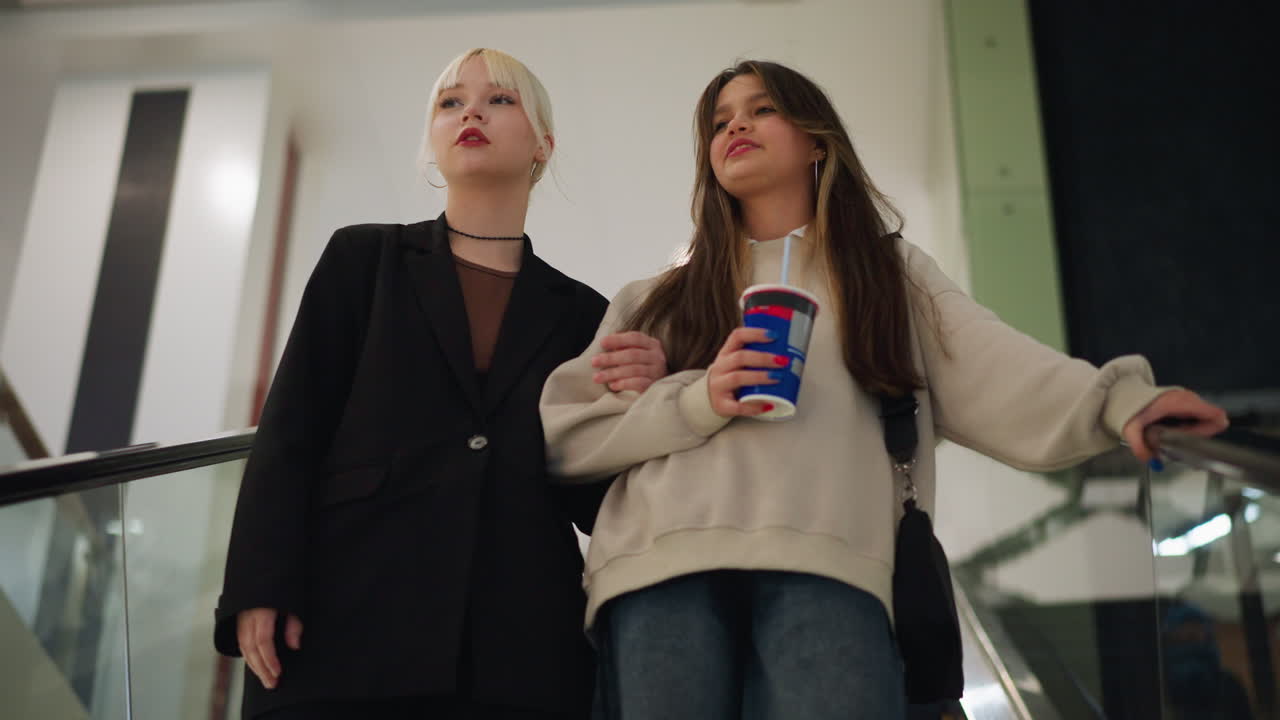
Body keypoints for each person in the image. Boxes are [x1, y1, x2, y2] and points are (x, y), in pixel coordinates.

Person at [538, 60, 1229, 720]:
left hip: (831, 560)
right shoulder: (655, 298)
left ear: (816, 140)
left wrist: (1121, 402)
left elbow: (993, 362)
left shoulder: (882, 274)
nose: (735, 128)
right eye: (719, 122)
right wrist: (699, 397)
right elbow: (566, 437)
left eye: (762, 109)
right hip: (658, 569)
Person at [213, 48, 666, 719]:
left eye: (500, 99)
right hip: (347, 623)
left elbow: (595, 497)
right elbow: (291, 429)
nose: (471, 112)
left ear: (544, 142)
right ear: (433, 137)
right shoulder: (363, 260)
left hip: (517, 650)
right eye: (451, 102)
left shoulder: (583, 314)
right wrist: (260, 581)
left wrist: (647, 396)